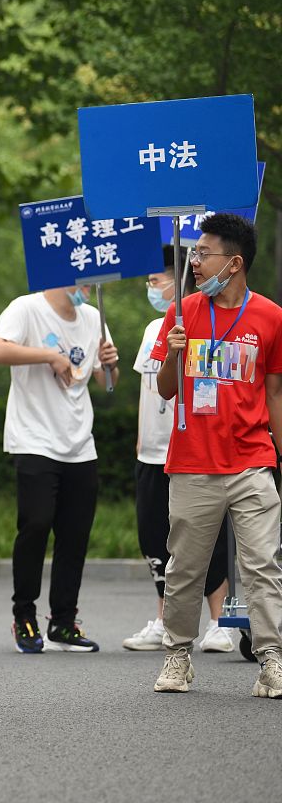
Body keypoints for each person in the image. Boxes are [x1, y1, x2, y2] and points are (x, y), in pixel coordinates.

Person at [150, 213, 282, 697]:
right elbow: (166, 390)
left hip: (252, 460)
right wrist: (174, 355)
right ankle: (178, 654)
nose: (195, 262)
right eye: (194, 252)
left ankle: (271, 659)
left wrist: (279, 459)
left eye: (204, 254)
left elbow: (275, 395)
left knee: (263, 564)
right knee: (185, 566)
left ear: (235, 262)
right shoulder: (181, 312)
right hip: (193, 462)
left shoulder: (270, 316)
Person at [0, 281, 119, 654]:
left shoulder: (94, 318)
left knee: (75, 535)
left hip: (80, 442)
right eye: (86, 279)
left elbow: (106, 382)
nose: (91, 287)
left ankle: (63, 621)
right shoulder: (26, 307)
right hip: (34, 438)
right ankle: (24, 614)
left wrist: (108, 365)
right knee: (36, 523)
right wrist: (48, 355)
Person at [124, 246, 235, 652]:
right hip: (153, 453)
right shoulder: (155, 328)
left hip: (194, 448)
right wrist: (140, 443)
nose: (151, 288)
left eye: (156, 281)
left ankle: (220, 622)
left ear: (181, 279)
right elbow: (146, 390)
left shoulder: (209, 323)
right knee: (155, 538)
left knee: (207, 535)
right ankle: (162, 618)